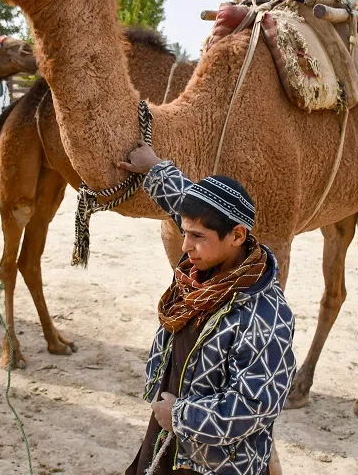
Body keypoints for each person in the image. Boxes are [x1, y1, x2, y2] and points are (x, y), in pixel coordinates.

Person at [119, 141, 295, 475]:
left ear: (238, 236)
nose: (186, 247)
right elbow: (183, 200)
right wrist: (155, 167)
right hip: (169, 440)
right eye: (185, 232)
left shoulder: (265, 315)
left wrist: (180, 416)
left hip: (215, 463)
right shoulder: (207, 261)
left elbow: (255, 405)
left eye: (197, 236)